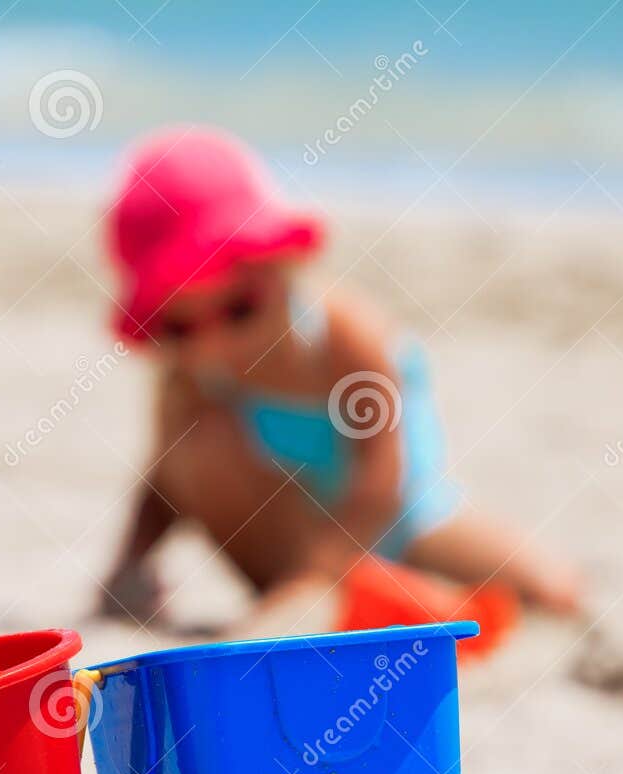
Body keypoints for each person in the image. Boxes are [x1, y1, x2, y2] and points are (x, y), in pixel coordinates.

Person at [97, 126, 583, 626]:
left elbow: (380, 480)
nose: (215, 343)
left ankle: (344, 596)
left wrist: (321, 577)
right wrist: (129, 565)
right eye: (180, 328)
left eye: (240, 310)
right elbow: (164, 483)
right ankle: (314, 599)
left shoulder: (344, 339)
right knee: (196, 448)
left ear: (282, 268)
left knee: (549, 593)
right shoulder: (191, 374)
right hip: (290, 534)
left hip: (400, 518)